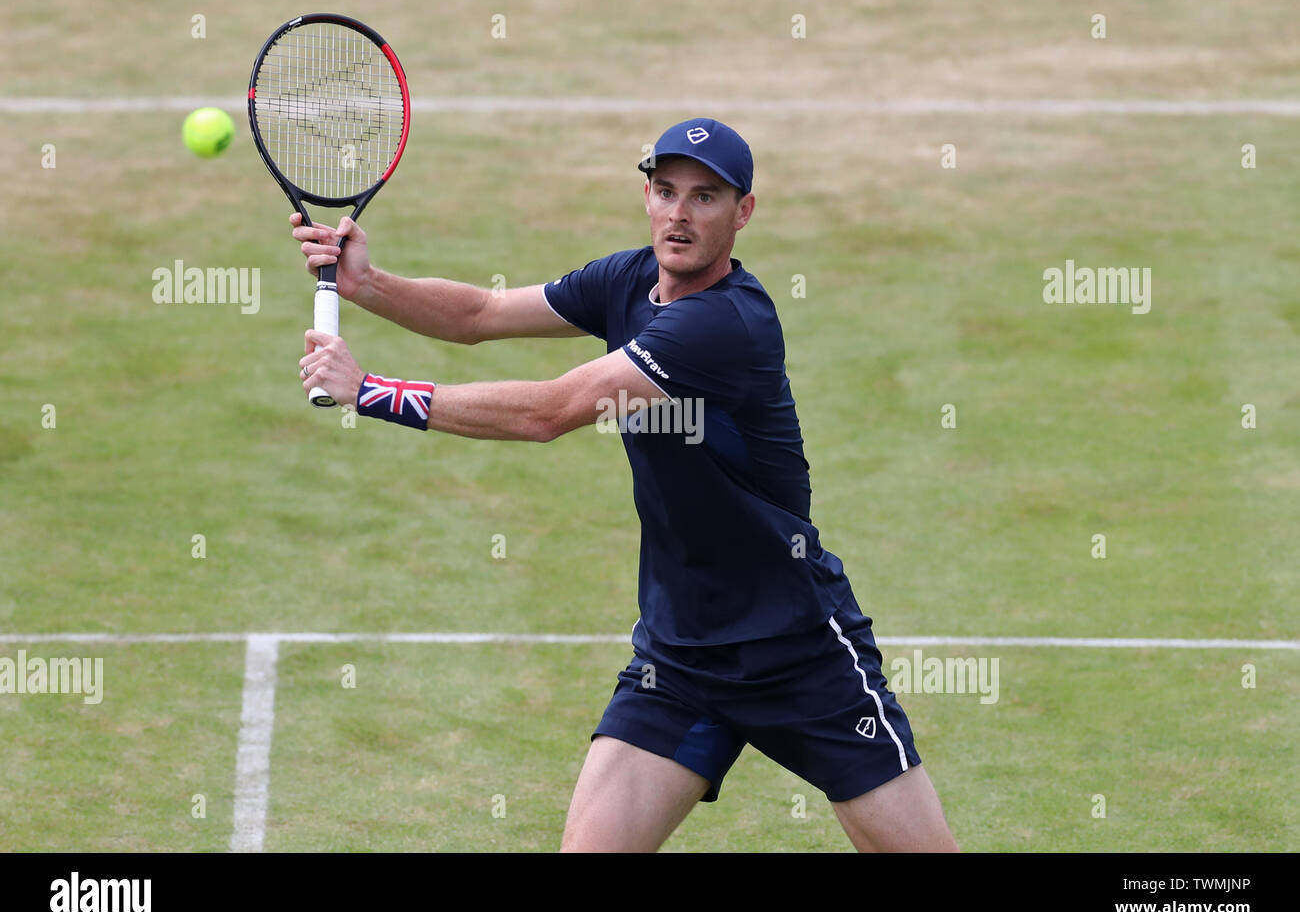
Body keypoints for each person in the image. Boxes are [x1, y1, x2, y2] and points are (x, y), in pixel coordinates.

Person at [292, 117, 958, 853]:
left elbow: (550, 413)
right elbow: (481, 315)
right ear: (646, 196)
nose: (680, 213)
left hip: (795, 649)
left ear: (743, 213)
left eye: (705, 197)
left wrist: (372, 392)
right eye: (666, 191)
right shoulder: (628, 280)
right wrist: (367, 284)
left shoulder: (725, 325)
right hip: (680, 655)